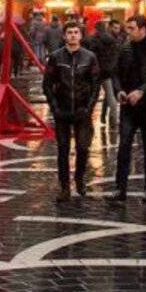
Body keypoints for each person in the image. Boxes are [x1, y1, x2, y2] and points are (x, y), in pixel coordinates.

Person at [110, 15, 146, 206]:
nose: (127, 31)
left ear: (143, 29)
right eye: (127, 28)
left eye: (131, 28)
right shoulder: (124, 48)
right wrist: (118, 91)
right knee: (124, 146)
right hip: (128, 106)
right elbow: (115, 72)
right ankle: (120, 188)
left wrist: (142, 91)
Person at [42, 21, 101, 202]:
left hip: (82, 111)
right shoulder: (55, 57)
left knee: (83, 148)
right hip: (62, 111)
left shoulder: (90, 57)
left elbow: (95, 84)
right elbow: (47, 84)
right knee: (63, 149)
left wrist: (89, 107)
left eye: (76, 32)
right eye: (70, 33)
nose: (73, 35)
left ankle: (80, 180)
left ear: (80, 35)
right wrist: (54, 107)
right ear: (64, 36)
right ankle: (64, 186)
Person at [84, 18, 121, 127]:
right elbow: (115, 55)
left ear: (96, 28)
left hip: (94, 72)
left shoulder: (91, 39)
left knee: (91, 96)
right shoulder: (111, 39)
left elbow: (88, 54)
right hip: (107, 72)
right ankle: (114, 120)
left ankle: (87, 119)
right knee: (110, 97)